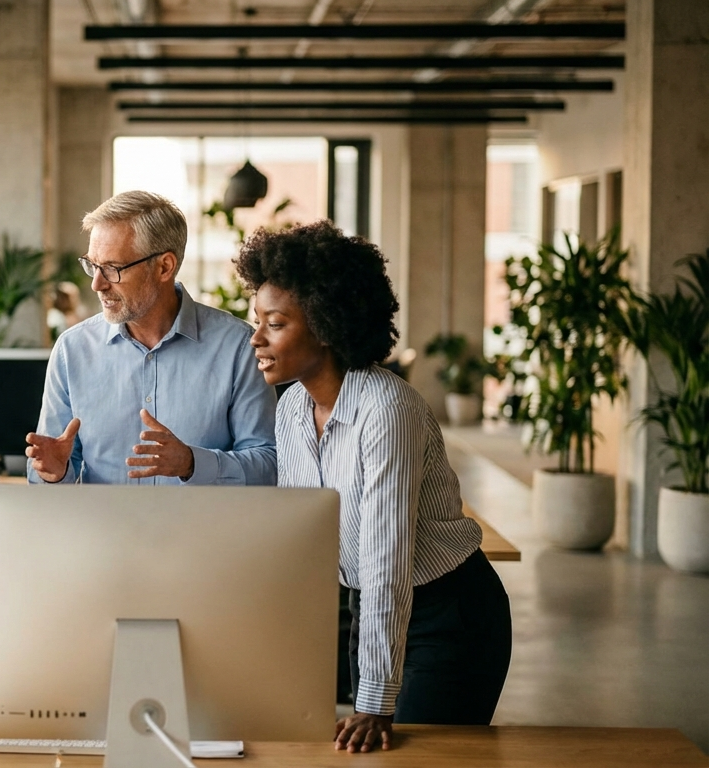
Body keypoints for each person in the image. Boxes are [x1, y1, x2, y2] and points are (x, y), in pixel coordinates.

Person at [234, 221, 511, 753]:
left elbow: (386, 559)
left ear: (324, 326)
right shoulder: (292, 408)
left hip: (447, 618)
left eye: (275, 324)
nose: (257, 339)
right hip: (363, 606)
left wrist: (374, 698)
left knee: (421, 760)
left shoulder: (386, 411)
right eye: (257, 322)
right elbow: (306, 537)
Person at [26, 190, 277, 486]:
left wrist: (192, 464)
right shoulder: (72, 350)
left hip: (202, 532)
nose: (97, 284)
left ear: (164, 267)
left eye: (113, 268)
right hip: (104, 531)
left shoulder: (237, 346)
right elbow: (43, 474)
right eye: (93, 265)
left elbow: (269, 464)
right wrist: (55, 472)